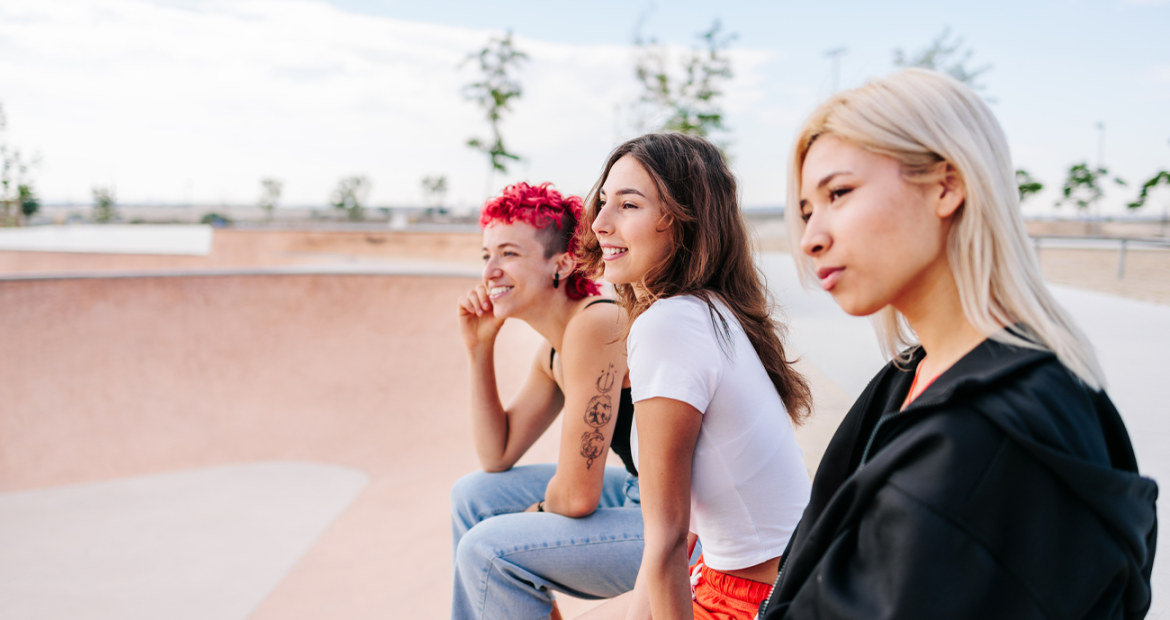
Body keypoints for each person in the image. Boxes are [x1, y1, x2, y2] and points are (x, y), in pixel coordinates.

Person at [758, 68, 1158, 619]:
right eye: (806, 210)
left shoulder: (985, 437)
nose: (810, 237)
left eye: (839, 193)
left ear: (947, 185)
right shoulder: (912, 375)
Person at [573, 133, 814, 620]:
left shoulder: (669, 325)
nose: (600, 223)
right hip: (775, 577)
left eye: (628, 204)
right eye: (603, 202)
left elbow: (665, 540)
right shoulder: (715, 310)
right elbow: (682, 538)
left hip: (754, 601)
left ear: (680, 219)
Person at [450, 182, 643, 620]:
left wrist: (534, 512)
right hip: (638, 495)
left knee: (488, 548)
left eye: (509, 254)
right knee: (474, 495)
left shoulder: (598, 322)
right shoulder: (554, 351)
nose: (489, 272)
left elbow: (577, 497)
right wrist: (479, 349)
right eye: (487, 256)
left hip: (688, 527)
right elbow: (496, 455)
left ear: (563, 263)